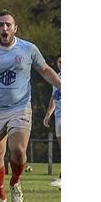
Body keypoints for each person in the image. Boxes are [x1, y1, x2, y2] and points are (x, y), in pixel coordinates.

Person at [0, 11, 61, 202]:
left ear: (15, 28)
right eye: (1, 25)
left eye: (8, 25)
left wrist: (62, 85)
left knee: (18, 151)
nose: (4, 28)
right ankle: (0, 197)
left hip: (20, 106)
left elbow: (45, 70)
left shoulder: (28, 49)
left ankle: (15, 182)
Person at [42, 54, 61, 188]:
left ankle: (61, 177)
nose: (61, 64)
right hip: (59, 116)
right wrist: (48, 114)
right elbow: (54, 97)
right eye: (59, 61)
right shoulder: (56, 77)